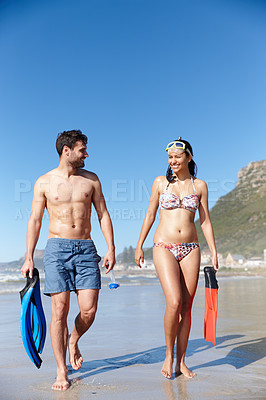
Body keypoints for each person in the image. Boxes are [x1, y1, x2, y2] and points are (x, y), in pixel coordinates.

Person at [21, 130, 115, 391]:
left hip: (86, 248)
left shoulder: (92, 180)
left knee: (89, 309)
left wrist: (111, 248)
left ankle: (73, 340)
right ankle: (61, 371)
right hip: (56, 250)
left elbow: (103, 215)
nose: (87, 154)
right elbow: (35, 220)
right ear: (67, 151)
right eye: (82, 149)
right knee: (59, 312)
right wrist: (29, 257)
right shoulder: (44, 182)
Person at [135, 137, 218, 379]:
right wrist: (139, 245)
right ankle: (168, 355)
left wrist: (213, 250)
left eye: (177, 157)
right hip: (163, 245)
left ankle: (181, 361)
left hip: (191, 248)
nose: (173, 161)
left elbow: (205, 221)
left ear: (189, 158)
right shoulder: (161, 183)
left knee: (187, 306)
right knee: (173, 302)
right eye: (170, 157)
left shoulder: (199, 186)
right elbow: (150, 214)